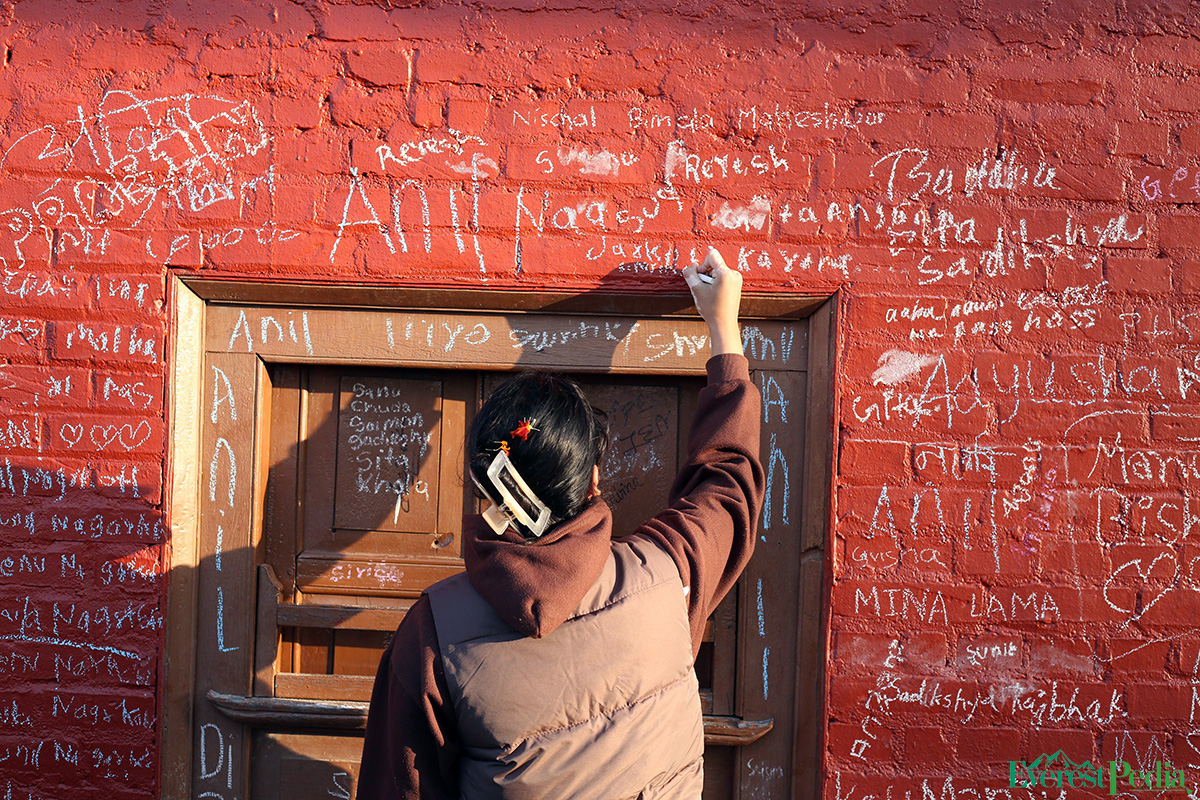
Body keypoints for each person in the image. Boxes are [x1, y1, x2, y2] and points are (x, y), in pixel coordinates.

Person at [357, 247, 765, 799]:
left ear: (485, 491)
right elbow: (728, 482)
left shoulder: (433, 633)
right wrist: (724, 332)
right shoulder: (670, 574)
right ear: (593, 480)